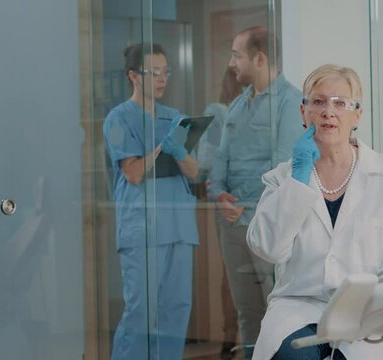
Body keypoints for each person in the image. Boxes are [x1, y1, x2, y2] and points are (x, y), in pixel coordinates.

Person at [246, 64, 383, 360]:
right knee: (292, 356)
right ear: (304, 112)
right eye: (318, 102)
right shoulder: (282, 178)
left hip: (369, 310)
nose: (329, 112)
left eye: (340, 103)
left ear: (357, 114)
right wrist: (298, 181)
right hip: (300, 306)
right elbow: (268, 248)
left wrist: (377, 301)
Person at [207, 26, 304, 359]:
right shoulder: (236, 106)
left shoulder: (291, 103)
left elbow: (282, 166)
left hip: (264, 223)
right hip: (231, 225)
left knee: (277, 311)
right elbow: (220, 159)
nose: (231, 62)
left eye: (237, 54)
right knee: (247, 311)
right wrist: (218, 195)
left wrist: (243, 202)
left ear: (259, 58)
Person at [103, 43, 199, 360]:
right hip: (143, 228)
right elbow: (132, 172)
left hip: (179, 226)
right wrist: (162, 148)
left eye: (165, 71)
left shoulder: (176, 118)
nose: (161, 79)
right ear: (133, 76)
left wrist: (180, 150)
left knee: (176, 311)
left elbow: (195, 173)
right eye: (153, 72)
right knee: (141, 312)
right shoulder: (118, 120)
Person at [197, 67, 244, 360]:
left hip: (254, 202)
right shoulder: (219, 112)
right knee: (232, 273)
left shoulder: (262, 112)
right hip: (228, 202)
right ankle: (229, 335)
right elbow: (207, 162)